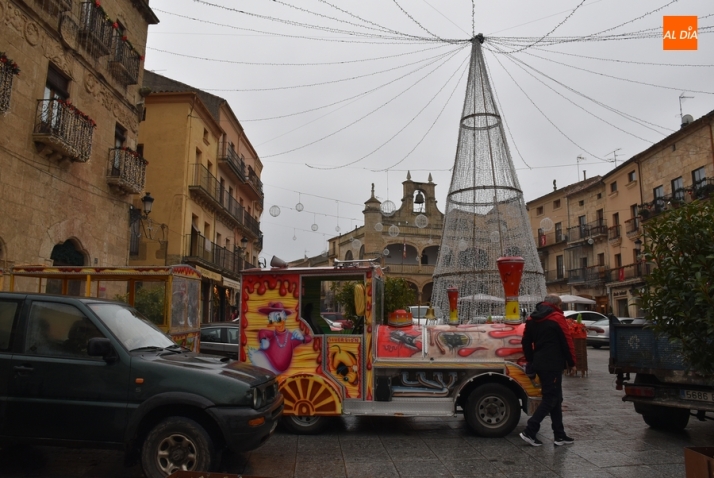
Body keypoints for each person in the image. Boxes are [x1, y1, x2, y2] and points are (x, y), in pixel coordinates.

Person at [520, 294, 576, 447]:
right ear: (556, 305)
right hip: (552, 364)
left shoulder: (532, 318)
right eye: (561, 305)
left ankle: (559, 435)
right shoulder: (557, 318)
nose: (561, 308)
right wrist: (572, 362)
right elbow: (567, 341)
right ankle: (530, 431)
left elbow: (525, 341)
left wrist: (531, 359)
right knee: (550, 398)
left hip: (540, 362)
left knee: (556, 398)